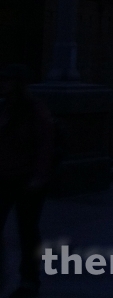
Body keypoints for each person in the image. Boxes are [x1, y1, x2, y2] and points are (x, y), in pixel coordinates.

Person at [0, 64, 54, 298]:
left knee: (28, 231)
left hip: (28, 179)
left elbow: (45, 145)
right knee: (26, 230)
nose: (3, 84)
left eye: (7, 80)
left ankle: (29, 282)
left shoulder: (33, 110)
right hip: (6, 176)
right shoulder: (5, 107)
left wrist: (38, 177)